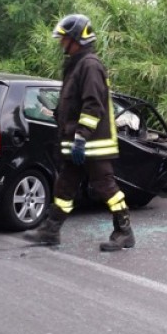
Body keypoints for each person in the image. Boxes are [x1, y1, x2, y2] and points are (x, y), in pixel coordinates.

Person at [23, 14, 135, 252]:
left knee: (105, 186)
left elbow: (93, 104)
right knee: (64, 187)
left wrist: (82, 136)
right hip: (77, 141)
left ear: (76, 39)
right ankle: (51, 231)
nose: (61, 43)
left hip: (92, 143)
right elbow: (72, 103)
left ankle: (124, 232)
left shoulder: (90, 65)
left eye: (64, 38)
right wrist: (58, 115)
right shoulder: (76, 64)